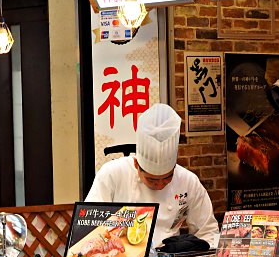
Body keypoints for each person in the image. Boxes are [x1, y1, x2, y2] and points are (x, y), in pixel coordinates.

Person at [86, 103, 220, 249]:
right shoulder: (112, 174)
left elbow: (209, 232)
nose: (160, 184)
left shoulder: (188, 181)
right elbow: (90, 228)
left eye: (168, 177)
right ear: (137, 165)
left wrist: (196, 247)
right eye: (152, 179)